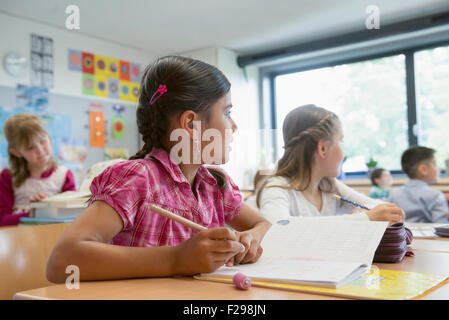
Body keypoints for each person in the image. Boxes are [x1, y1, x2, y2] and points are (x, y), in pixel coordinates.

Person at [46, 56, 271, 283]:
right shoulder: (138, 179)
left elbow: (263, 224)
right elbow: (62, 261)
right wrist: (177, 259)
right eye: (227, 113)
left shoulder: (215, 184)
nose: (234, 126)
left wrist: (250, 238)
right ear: (191, 124)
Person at [257, 104, 405, 225]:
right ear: (323, 148)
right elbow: (279, 227)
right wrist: (365, 218)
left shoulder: (328, 185)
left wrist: (369, 213)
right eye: (341, 141)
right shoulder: (276, 188)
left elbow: (376, 207)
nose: (344, 154)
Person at [0, 113, 76, 226]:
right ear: (16, 152)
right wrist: (34, 213)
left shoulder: (64, 175)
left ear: (49, 138)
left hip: (53, 238)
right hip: (18, 239)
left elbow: (73, 216)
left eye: (42, 141)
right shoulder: (8, 177)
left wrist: (48, 207)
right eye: (30, 147)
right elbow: (2, 220)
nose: (40, 150)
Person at [388, 146, 449, 223]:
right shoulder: (436, 196)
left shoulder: (394, 194)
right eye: (435, 164)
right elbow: (442, 227)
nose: (439, 169)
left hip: (401, 234)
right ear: (423, 170)